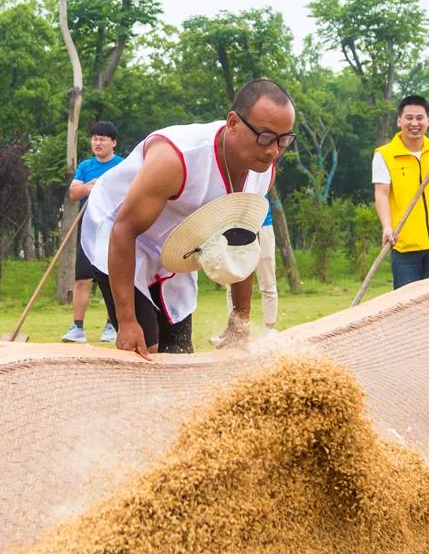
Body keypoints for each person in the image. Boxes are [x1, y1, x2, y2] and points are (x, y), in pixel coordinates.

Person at [80, 79, 295, 360]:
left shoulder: (263, 172)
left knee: (180, 352)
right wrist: (126, 321)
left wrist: (239, 321)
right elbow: (124, 230)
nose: (274, 150)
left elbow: (241, 244)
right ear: (232, 124)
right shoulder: (176, 158)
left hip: (175, 244)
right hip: (117, 231)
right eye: (266, 137)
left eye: (284, 139)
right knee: (145, 346)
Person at [372, 95, 429, 290]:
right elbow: (381, 194)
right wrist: (387, 227)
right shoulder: (385, 155)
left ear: (428, 121)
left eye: (420, 118)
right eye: (409, 118)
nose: (414, 123)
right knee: (406, 305)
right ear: (399, 121)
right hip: (404, 243)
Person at [61, 122, 124, 344]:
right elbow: (73, 192)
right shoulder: (86, 166)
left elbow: (131, 192)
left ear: (113, 143)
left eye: (103, 139)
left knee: (113, 279)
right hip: (89, 229)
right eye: (95, 138)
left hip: (115, 230)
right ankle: (77, 327)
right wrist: (90, 187)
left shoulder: (122, 166)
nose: (97, 143)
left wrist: (106, 187)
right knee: (82, 279)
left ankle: (112, 325)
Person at [210, 194, 279, 347]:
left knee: (267, 276)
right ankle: (234, 329)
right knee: (233, 277)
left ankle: (270, 328)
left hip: (262, 225)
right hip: (237, 226)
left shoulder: (263, 172)